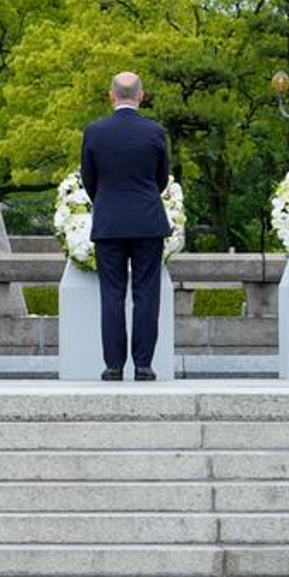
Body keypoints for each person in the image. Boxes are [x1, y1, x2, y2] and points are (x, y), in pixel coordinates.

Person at [80, 72, 172, 382]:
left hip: (109, 222)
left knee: (112, 294)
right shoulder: (155, 132)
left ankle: (113, 365)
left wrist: (107, 202)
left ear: (112, 95)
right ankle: (143, 365)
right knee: (147, 294)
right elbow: (161, 178)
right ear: (141, 95)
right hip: (147, 221)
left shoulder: (95, 132)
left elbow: (89, 179)